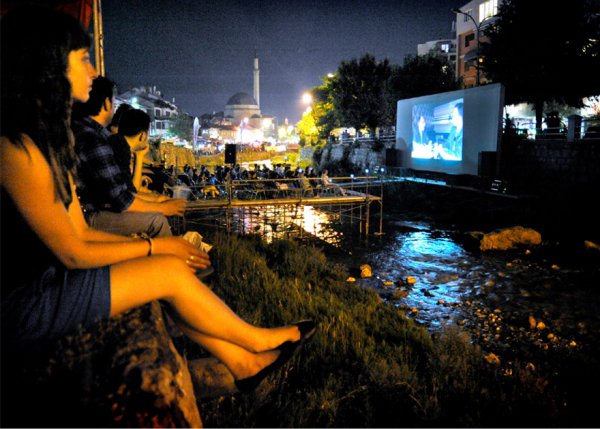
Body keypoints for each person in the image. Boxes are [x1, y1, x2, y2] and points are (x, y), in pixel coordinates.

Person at [0, 4, 315, 403]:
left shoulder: (47, 140)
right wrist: (157, 245)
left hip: (46, 281)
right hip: (23, 304)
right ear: (46, 65)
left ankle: (243, 362)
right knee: (166, 269)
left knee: (165, 268)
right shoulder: (14, 148)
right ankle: (256, 343)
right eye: (82, 59)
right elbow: (73, 252)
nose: (94, 72)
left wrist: (157, 247)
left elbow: (78, 231)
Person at [73, 76, 186, 237]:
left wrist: (154, 199)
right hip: (89, 215)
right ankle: (167, 259)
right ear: (107, 103)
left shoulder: (90, 134)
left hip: (90, 210)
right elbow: (122, 199)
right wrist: (162, 206)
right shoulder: (95, 140)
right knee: (157, 221)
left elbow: (123, 191)